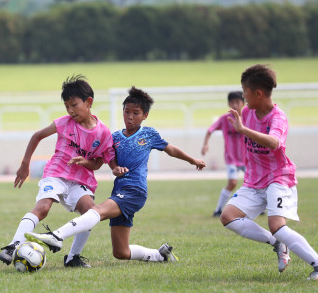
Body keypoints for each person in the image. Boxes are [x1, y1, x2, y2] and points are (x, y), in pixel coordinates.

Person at [26, 87, 206, 264]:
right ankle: (160, 255)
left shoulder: (149, 134)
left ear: (145, 116)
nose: (129, 116)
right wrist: (113, 168)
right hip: (119, 191)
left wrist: (193, 160)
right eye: (126, 111)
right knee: (121, 252)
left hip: (134, 191)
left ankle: (57, 236)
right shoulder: (115, 137)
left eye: (135, 113)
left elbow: (171, 149)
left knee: (95, 211)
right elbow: (107, 160)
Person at [220, 64, 318, 280]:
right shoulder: (246, 112)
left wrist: (244, 130)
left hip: (278, 178)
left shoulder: (278, 117)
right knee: (228, 216)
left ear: (258, 93)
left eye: (245, 91)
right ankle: (277, 243)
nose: (243, 96)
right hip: (254, 180)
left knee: (276, 224)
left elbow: (274, 142)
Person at [0, 74, 117, 268]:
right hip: (56, 174)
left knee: (90, 213)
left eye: (74, 105)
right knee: (43, 207)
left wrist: (85, 161)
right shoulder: (64, 122)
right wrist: (25, 163)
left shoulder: (103, 133)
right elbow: (37, 136)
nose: (70, 111)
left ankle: (72, 258)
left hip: (80, 181)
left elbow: (97, 164)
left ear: (89, 102)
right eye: (67, 107)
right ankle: (13, 246)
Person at [201, 91, 246, 217]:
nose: (235, 105)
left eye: (238, 102)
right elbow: (210, 130)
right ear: (228, 104)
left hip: (247, 158)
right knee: (232, 183)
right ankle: (219, 209)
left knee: (254, 183)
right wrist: (205, 144)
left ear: (243, 103)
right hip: (231, 158)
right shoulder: (225, 119)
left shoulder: (248, 118)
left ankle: (258, 208)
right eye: (232, 102)